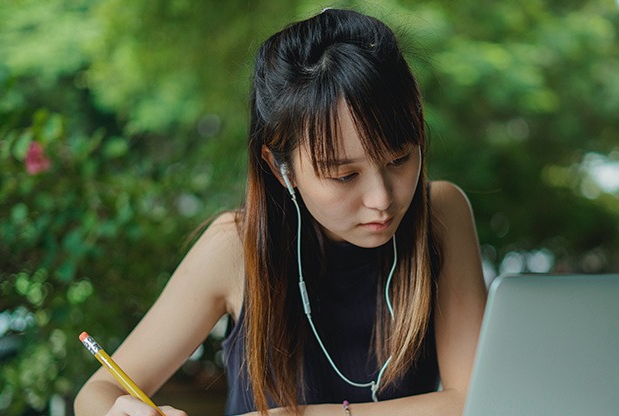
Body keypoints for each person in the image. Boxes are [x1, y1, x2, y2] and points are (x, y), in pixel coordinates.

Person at [74, 8, 487, 416]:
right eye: (344, 176)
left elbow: (473, 401)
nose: (381, 199)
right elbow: (97, 392)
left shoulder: (441, 216)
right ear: (280, 167)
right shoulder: (235, 246)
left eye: (399, 159)